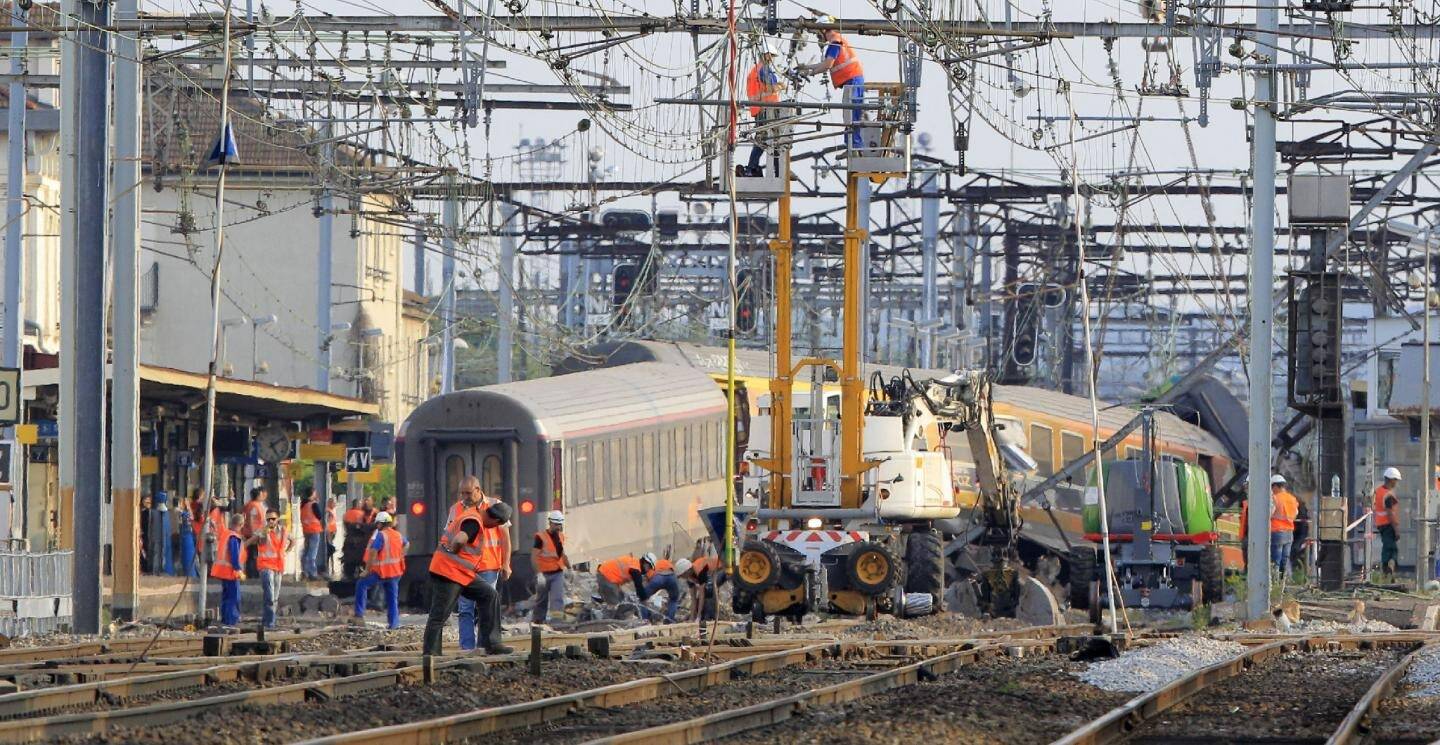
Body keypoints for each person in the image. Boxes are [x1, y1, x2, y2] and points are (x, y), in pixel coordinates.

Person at [422, 499, 514, 656]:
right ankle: (431, 656)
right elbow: (459, 539)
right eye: (497, 526)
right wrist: (455, 550)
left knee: (489, 595)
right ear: (496, 521)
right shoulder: (474, 521)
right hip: (448, 572)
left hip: (463, 573)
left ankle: (492, 643)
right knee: (439, 615)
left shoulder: (475, 515)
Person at [451, 478, 510, 650]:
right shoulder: (456, 509)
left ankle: (484, 645)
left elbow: (505, 538)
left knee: (486, 607)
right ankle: (467, 649)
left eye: (468, 493)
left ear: (478, 489)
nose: (464, 497)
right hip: (465, 567)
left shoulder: (494, 506)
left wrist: (506, 563)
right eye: (462, 493)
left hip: (489, 566)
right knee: (465, 609)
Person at [803, 27, 865, 149]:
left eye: (818, 33)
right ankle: (851, 145)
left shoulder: (835, 43)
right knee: (849, 115)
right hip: (853, 80)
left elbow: (827, 65)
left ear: (824, 30)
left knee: (852, 115)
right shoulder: (837, 41)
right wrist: (807, 67)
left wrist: (810, 72)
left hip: (852, 80)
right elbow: (826, 63)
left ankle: (855, 146)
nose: (818, 37)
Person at [355, 511, 407, 629]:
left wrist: (367, 570)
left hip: (382, 572)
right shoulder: (398, 535)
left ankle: (359, 615)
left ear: (380, 524)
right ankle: (393, 624)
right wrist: (401, 555)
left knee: (361, 584)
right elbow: (407, 544)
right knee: (392, 598)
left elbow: (373, 552)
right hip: (395, 572)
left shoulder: (381, 535)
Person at [740, 42, 785, 178]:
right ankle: (758, 168)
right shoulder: (763, 69)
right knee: (771, 139)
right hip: (766, 110)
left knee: (765, 140)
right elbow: (771, 87)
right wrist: (781, 85)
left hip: (760, 109)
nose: (772, 59)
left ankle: (753, 167)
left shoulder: (756, 69)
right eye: (771, 56)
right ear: (765, 55)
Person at [249, 509, 291, 629]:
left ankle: (267, 620)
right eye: (268, 519)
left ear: (277, 519)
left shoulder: (283, 531)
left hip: (278, 566)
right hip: (265, 566)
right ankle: (270, 622)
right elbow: (250, 542)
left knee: (275, 596)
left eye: (273, 519)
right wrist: (261, 536)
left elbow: (292, 541)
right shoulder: (262, 531)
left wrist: (286, 552)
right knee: (270, 595)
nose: (270, 521)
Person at [531, 511, 569, 625]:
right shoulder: (540, 537)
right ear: (550, 523)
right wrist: (538, 574)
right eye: (556, 524)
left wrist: (570, 568)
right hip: (544, 574)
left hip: (557, 573)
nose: (558, 527)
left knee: (557, 599)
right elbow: (534, 557)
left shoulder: (561, 536)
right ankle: (538, 622)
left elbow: (562, 554)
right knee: (541, 600)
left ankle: (556, 623)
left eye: (559, 524)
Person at [211, 513, 247, 627]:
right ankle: (231, 621)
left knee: (226, 597)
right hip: (230, 572)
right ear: (240, 524)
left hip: (222, 572)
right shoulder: (234, 537)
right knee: (233, 597)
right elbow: (234, 555)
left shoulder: (225, 534)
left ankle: (225, 620)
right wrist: (239, 570)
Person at [636, 553, 683, 623]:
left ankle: (645, 620)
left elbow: (648, 584)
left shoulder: (651, 569)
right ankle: (670, 620)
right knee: (673, 600)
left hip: (659, 578)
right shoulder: (663, 562)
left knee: (643, 599)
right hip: (672, 577)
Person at [1268, 474, 1299, 577]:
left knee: (1275, 561)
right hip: (1289, 533)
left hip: (1277, 532)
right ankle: (1284, 584)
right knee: (1285, 560)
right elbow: (1295, 513)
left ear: (1276, 486)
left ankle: (1275, 584)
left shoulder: (1275, 498)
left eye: (1272, 487)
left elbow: (1269, 513)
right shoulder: (1292, 499)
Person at [680, 555, 726, 622]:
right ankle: (699, 615)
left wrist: (699, 616)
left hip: (722, 568)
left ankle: (711, 616)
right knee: (704, 594)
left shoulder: (699, 570)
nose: (682, 578)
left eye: (682, 575)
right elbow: (693, 599)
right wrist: (692, 617)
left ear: (687, 571)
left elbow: (702, 594)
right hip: (711, 573)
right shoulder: (689, 578)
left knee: (709, 591)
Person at [1375, 466, 1402, 575]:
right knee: (1391, 548)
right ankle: (1388, 568)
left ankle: (1387, 569)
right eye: (1395, 480)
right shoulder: (1388, 495)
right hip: (1388, 524)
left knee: (1387, 546)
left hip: (1381, 524)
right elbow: (1390, 512)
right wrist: (1396, 529)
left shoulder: (1379, 491)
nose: (1396, 483)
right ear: (1391, 479)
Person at [299, 488, 325, 580]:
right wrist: (316, 502)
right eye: (315, 493)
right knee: (312, 553)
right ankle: (312, 573)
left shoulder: (303, 504)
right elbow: (319, 516)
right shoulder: (313, 504)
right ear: (312, 494)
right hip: (314, 530)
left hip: (306, 530)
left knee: (306, 551)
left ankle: (304, 571)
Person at [242, 488, 268, 577]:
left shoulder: (250, 504)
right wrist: (253, 534)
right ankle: (252, 574)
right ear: (258, 496)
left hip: (254, 533)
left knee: (253, 554)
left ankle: (253, 573)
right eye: (261, 495)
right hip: (253, 534)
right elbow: (251, 520)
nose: (262, 496)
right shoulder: (254, 506)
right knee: (253, 555)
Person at [139, 494, 153, 573]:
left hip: (149, 534)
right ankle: (144, 568)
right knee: (143, 550)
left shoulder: (150, 512)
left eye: (149, 502)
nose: (148, 504)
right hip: (143, 534)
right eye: (146, 502)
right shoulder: (141, 512)